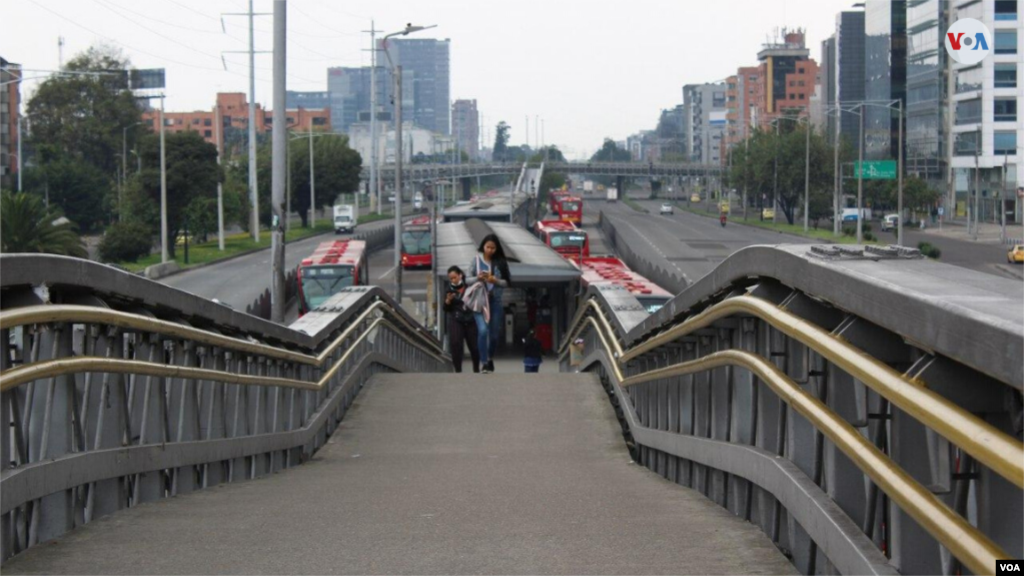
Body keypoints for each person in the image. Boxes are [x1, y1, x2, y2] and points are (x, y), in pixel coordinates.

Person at [468, 233, 511, 374]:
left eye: (493, 248)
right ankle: (484, 362)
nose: (490, 250)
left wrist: (495, 281)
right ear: (483, 247)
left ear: (497, 248)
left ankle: (490, 357)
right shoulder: (476, 260)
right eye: (488, 247)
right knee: (482, 330)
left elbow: (507, 282)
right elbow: (467, 280)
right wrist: (478, 278)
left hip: (495, 301)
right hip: (479, 300)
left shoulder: (501, 262)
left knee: (494, 335)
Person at [443, 266, 481, 373]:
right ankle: (458, 370)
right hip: (456, 318)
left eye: (455, 277)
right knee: (456, 344)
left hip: (470, 318)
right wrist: (448, 301)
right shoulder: (448, 289)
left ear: (460, 275)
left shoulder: (470, 285)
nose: (453, 280)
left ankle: (476, 368)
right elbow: (445, 309)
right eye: (451, 279)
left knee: (474, 346)